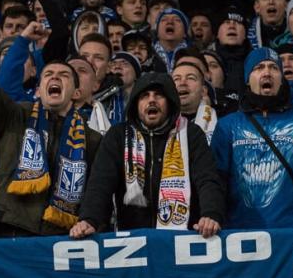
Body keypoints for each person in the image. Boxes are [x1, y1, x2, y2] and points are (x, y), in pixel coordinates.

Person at [0, 22, 101, 236]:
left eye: (64, 75)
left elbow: (95, 192)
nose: (55, 77)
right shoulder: (15, 115)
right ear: (39, 90)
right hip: (9, 227)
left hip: (61, 235)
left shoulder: (92, 139)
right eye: (48, 74)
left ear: (75, 93)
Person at [71, 72, 225, 237]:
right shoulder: (118, 136)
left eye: (159, 95)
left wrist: (211, 214)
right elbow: (100, 184)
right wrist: (89, 219)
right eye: (144, 96)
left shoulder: (191, 134)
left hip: (182, 240)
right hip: (131, 240)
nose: (152, 100)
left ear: (170, 102)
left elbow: (207, 179)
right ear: (135, 103)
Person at [211, 48, 293, 228]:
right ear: (247, 80)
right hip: (237, 235)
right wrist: (215, 218)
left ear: (282, 80)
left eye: (274, 68)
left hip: (291, 234)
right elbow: (216, 183)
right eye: (258, 68)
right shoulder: (227, 125)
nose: (267, 72)